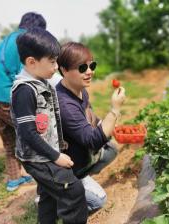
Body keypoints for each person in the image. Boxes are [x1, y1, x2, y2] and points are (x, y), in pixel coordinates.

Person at [11, 28, 88, 224]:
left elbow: (48, 119)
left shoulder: (41, 82)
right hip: (37, 158)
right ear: (31, 62)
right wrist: (57, 157)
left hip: (46, 153)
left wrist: (59, 142)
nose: (56, 67)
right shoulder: (24, 91)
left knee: (49, 198)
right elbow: (28, 133)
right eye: (52, 61)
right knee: (73, 191)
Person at [56, 42, 126, 213]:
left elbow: (90, 115)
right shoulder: (65, 105)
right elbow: (92, 142)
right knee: (98, 202)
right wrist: (115, 110)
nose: (89, 72)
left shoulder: (79, 89)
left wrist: (105, 124)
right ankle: (56, 198)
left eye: (91, 65)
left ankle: (80, 177)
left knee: (111, 149)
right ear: (64, 70)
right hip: (63, 167)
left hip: (77, 154)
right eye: (82, 68)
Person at [0, 12, 47, 191]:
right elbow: (25, 77)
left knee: (9, 142)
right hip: (5, 98)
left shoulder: (8, 39)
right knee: (35, 133)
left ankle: (14, 180)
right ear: (36, 30)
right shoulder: (26, 42)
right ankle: (46, 178)